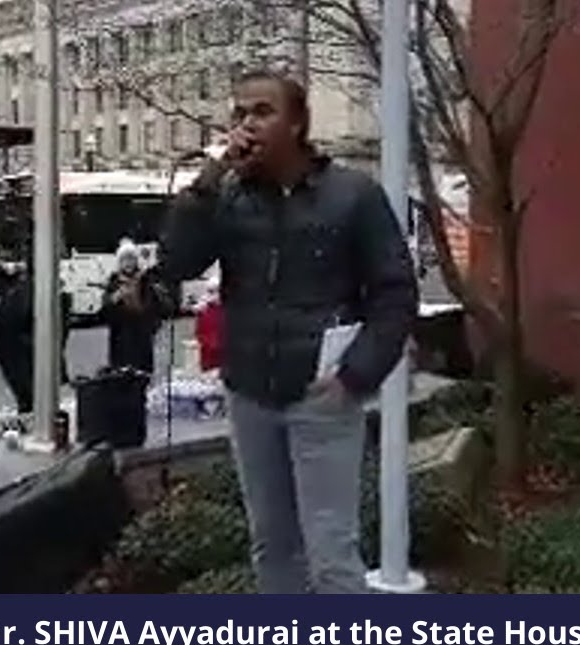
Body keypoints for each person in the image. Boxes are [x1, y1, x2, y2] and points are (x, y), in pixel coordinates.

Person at [157, 70, 418, 594]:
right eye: (239, 114)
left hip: (321, 395)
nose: (247, 123)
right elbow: (177, 262)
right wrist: (207, 183)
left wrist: (355, 376)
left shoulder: (353, 194)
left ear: (297, 122)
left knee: (330, 553)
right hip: (249, 393)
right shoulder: (227, 196)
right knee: (272, 545)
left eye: (261, 111)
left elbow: (395, 293)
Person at [100, 239, 170, 374]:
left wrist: (151, 323)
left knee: (143, 375)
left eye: (131, 259)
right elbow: (104, 313)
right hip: (121, 339)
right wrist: (115, 298)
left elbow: (158, 308)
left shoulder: (146, 280)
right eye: (124, 259)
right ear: (119, 262)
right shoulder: (113, 282)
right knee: (123, 376)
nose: (128, 263)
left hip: (142, 337)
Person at [0, 261, 34, 414]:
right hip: (9, 345)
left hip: (17, 345)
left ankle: (28, 410)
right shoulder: (9, 290)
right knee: (21, 386)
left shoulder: (23, 290)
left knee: (25, 387)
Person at [194, 275, 223, 372]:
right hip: (210, 357)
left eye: (217, 290)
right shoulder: (204, 310)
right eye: (212, 291)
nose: (216, 294)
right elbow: (199, 333)